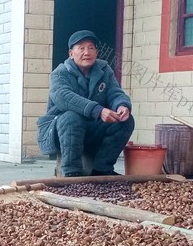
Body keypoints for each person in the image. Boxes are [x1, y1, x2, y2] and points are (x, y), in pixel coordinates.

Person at [36, 29, 134, 177]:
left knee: (125, 121)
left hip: (91, 129)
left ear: (96, 52)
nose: (86, 52)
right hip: (62, 130)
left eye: (91, 48)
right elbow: (64, 98)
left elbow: (115, 92)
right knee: (71, 117)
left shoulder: (105, 70)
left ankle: (102, 169)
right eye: (81, 48)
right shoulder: (60, 73)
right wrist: (98, 110)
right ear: (71, 53)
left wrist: (122, 105)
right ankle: (71, 172)